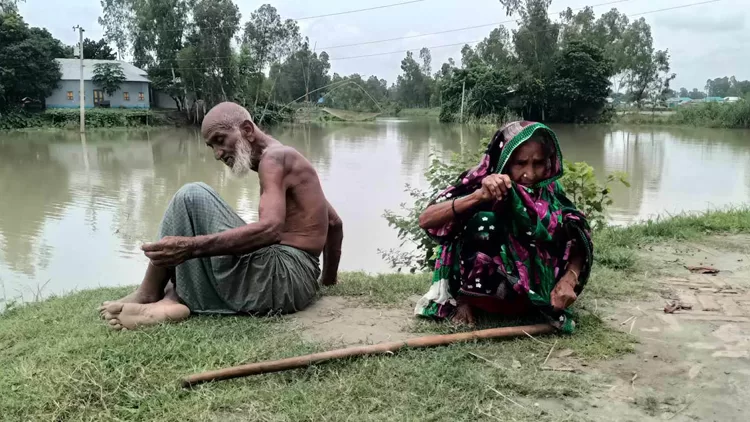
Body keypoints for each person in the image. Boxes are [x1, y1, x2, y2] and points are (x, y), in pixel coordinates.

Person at [99, 102, 343, 330]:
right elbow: (333, 222)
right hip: (299, 283)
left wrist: (191, 247)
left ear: (247, 130)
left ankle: (149, 293)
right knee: (203, 231)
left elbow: (271, 229)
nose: (217, 153)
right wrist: (325, 282)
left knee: (192, 195)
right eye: (211, 146)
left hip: (282, 280)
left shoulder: (274, 158)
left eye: (220, 140)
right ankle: (170, 300)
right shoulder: (285, 157)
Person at [414, 121, 592, 332]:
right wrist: (478, 196)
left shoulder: (551, 189)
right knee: (484, 221)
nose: (530, 174)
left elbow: (578, 236)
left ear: (548, 162)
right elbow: (426, 220)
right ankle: (466, 300)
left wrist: (570, 279)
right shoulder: (481, 182)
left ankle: (534, 300)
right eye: (520, 163)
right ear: (505, 161)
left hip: (535, 297)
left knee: (568, 224)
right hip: (486, 292)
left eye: (538, 163)